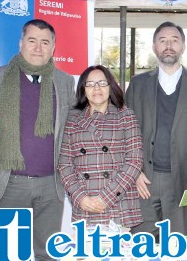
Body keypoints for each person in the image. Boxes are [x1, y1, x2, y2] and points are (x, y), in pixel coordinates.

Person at [0, 19, 75, 261]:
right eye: (32, 40)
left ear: (53, 47)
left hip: (51, 184)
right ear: (20, 43)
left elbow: (74, 124)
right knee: (10, 255)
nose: (38, 47)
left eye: (45, 42)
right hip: (10, 182)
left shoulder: (65, 82)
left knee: (47, 252)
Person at [126, 21, 187, 238]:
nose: (168, 45)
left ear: (182, 46)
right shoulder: (138, 84)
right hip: (144, 180)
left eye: (174, 40)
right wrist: (133, 173)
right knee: (141, 243)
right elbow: (125, 131)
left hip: (184, 181)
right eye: (162, 40)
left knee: (178, 245)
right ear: (154, 47)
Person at [58, 65, 143, 229]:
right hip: (86, 205)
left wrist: (106, 197)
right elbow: (65, 164)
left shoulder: (125, 116)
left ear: (110, 86)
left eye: (102, 83)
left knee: (118, 254)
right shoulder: (73, 119)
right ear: (83, 89)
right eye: (90, 84)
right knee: (87, 254)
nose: (96, 88)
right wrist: (80, 198)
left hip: (117, 205)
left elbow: (134, 161)